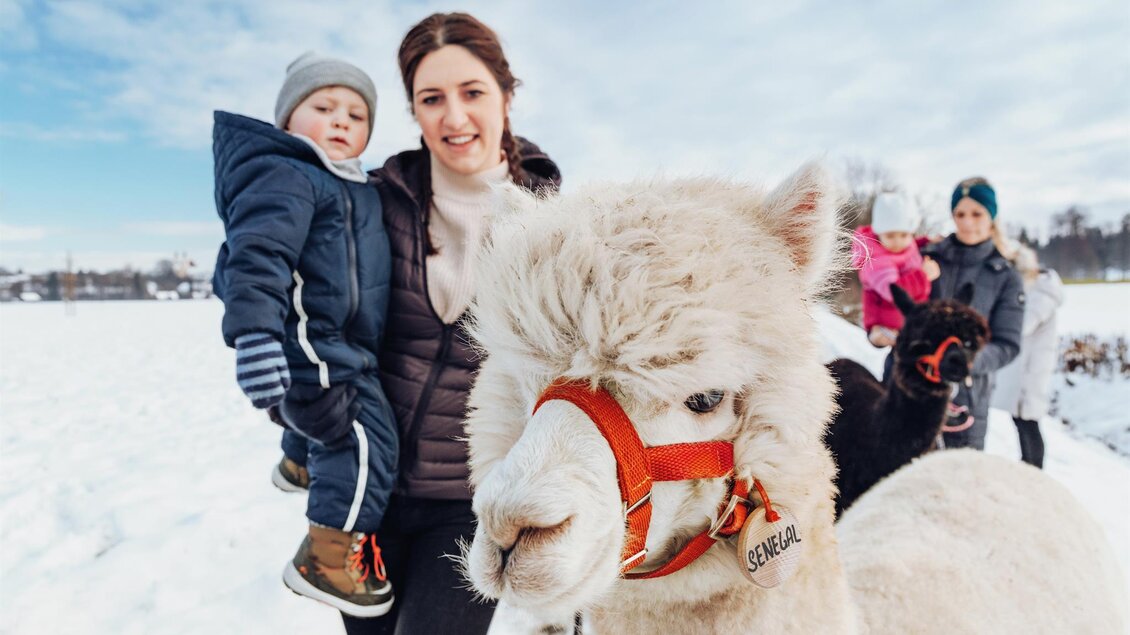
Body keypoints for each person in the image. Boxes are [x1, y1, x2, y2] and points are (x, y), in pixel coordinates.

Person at [334, 13, 561, 634]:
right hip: (367, 495)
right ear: (413, 109)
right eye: (432, 99)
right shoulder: (369, 202)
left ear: (506, 97)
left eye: (473, 93)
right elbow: (297, 303)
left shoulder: (552, 223)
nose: (454, 118)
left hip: (470, 499)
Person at [211, 52, 398, 617]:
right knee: (366, 439)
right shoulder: (288, 176)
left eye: (356, 114)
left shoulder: (348, 185)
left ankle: (299, 461)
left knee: (326, 423)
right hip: (317, 349)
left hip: (339, 345)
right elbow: (255, 257)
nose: (341, 121)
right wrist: (255, 336)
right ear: (288, 119)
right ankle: (328, 556)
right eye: (323, 107)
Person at [921, 176, 1024, 450]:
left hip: (967, 396)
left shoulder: (1005, 276)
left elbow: (1007, 344)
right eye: (960, 213)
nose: (967, 222)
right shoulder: (927, 258)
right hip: (912, 388)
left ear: (991, 216)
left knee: (959, 480)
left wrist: (966, 361)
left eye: (977, 213)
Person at [992, 245, 1064, 468]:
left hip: (1032, 370)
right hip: (1024, 368)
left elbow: (1023, 325)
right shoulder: (1035, 289)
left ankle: (1034, 468)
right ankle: (1028, 463)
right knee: (1020, 419)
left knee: (1028, 420)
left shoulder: (1042, 292)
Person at [852, 192, 939, 348]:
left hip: (907, 319)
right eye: (891, 235)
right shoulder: (876, 260)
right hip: (887, 326)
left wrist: (926, 242)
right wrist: (923, 276)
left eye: (904, 234)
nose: (898, 241)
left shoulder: (903, 245)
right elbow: (894, 292)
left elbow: (909, 250)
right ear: (879, 234)